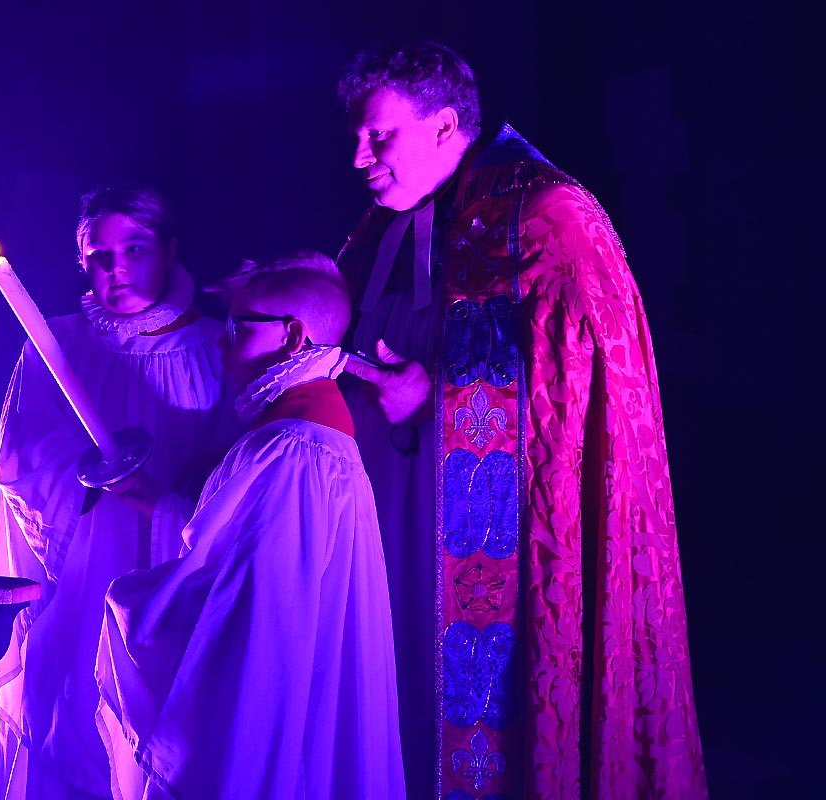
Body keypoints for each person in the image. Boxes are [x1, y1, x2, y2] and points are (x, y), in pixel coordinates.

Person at [335, 42, 707, 799]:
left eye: (380, 136)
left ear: (444, 126)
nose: (360, 159)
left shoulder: (547, 214)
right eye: (357, 139)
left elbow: (577, 396)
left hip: (500, 542)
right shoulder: (378, 231)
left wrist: (432, 398)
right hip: (391, 519)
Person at [94, 252, 405, 800]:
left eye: (238, 328)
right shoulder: (298, 440)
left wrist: (132, 607)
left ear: (291, 337)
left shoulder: (294, 452)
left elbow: (254, 626)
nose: (221, 342)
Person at [0, 185, 229, 800]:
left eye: (136, 249)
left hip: (180, 561)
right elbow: (23, 454)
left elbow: (238, 452)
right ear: (81, 261)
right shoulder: (58, 344)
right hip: (86, 566)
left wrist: (181, 493)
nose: (117, 269)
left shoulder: (218, 347)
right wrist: (90, 474)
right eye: (99, 256)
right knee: (79, 725)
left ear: (170, 250)